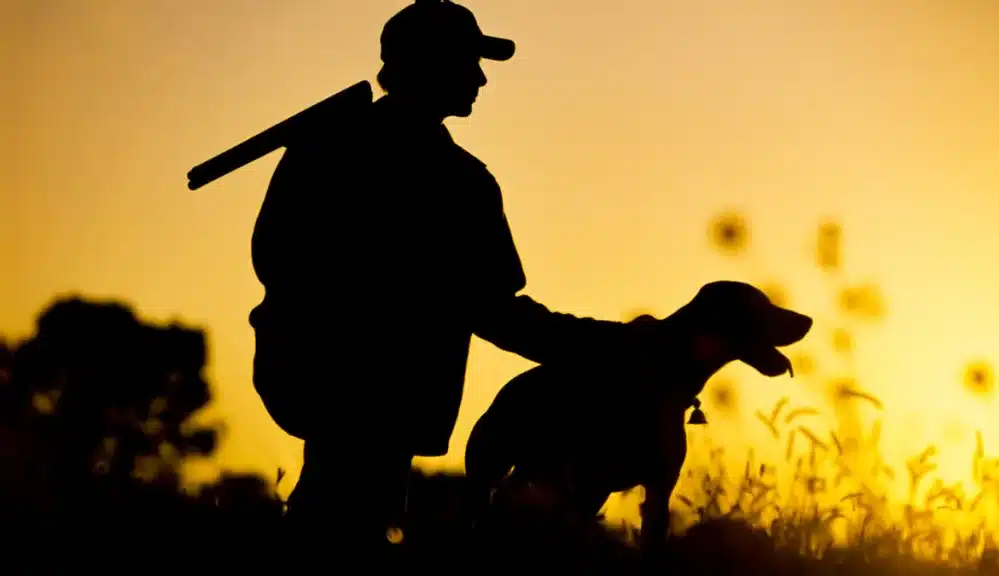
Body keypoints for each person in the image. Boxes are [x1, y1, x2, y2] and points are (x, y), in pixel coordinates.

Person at [248, 0, 692, 565]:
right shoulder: (461, 182)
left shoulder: (323, 145)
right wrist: (611, 343)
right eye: (468, 62)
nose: (481, 78)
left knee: (327, 522)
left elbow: (272, 254)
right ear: (431, 65)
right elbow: (496, 313)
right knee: (345, 530)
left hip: (310, 375)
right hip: (378, 392)